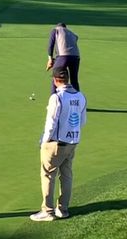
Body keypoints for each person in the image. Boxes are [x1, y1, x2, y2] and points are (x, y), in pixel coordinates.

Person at [30, 67, 87, 222]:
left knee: (48, 175)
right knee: (66, 175)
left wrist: (44, 141)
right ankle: (63, 209)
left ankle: (48, 211)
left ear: (55, 80)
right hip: (72, 142)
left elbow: (51, 123)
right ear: (67, 78)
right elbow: (82, 121)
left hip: (56, 143)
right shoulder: (81, 96)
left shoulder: (56, 98)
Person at [45, 22, 81, 93]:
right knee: (74, 79)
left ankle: (54, 99)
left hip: (63, 56)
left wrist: (50, 59)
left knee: (56, 77)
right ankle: (78, 100)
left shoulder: (55, 30)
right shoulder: (72, 33)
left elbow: (51, 45)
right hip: (76, 57)